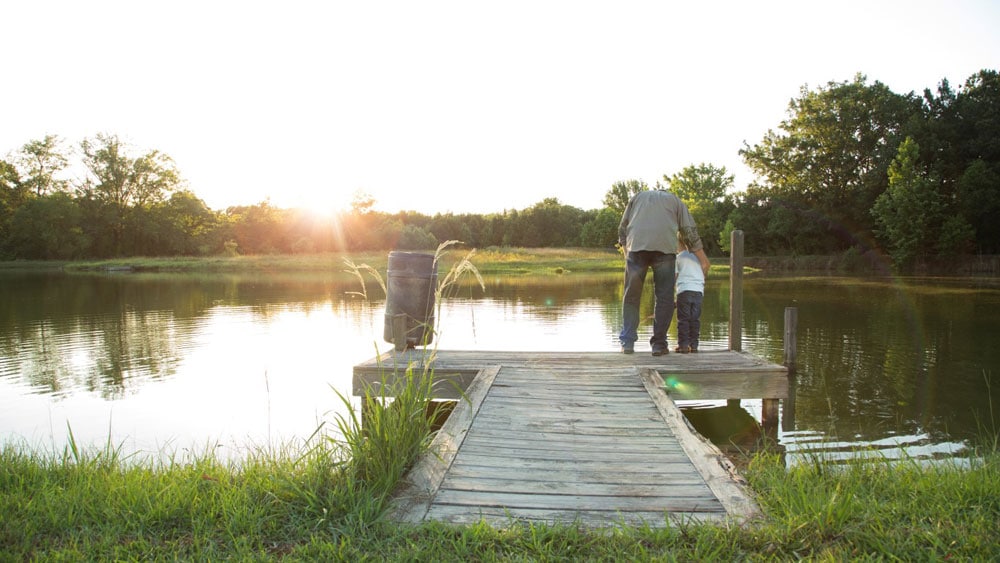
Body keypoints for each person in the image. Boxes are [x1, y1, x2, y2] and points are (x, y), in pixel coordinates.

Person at [617, 189, 710, 356]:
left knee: (631, 295)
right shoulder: (675, 200)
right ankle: (659, 344)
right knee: (664, 297)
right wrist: (703, 259)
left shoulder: (637, 197)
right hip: (665, 249)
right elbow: (688, 231)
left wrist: (627, 253)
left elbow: (622, 229)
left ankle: (627, 343)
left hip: (636, 248)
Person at [674, 238, 705, 353]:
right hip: (698, 291)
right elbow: (705, 267)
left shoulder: (678, 258)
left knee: (683, 319)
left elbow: (675, 276)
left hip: (684, 290)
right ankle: (694, 345)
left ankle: (683, 345)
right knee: (695, 319)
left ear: (678, 244)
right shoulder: (697, 257)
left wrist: (672, 294)